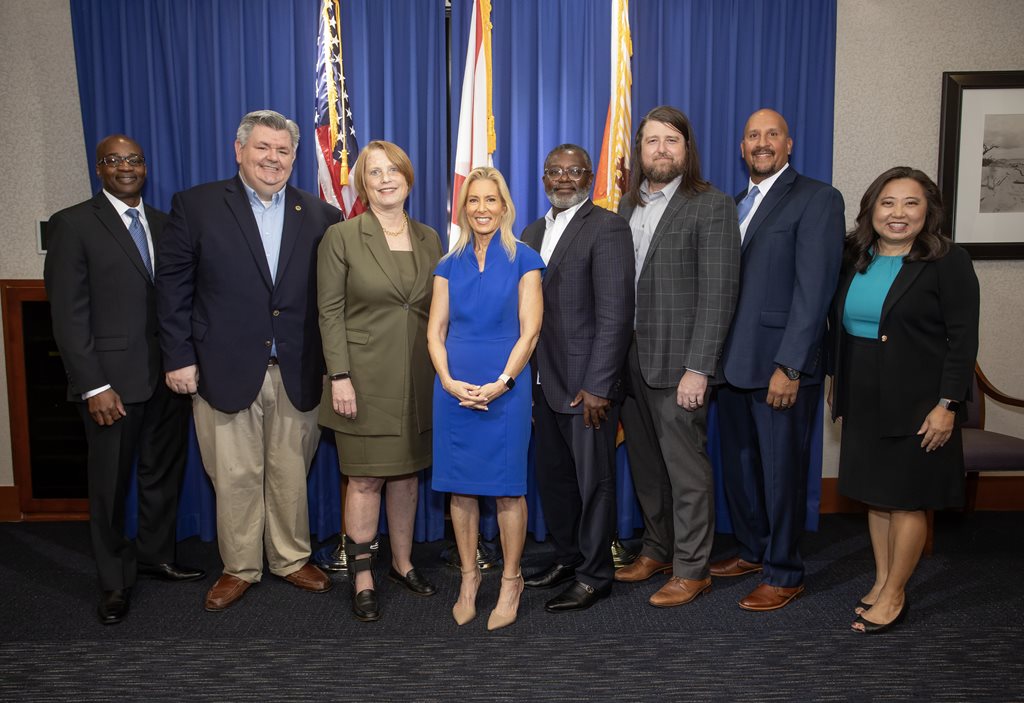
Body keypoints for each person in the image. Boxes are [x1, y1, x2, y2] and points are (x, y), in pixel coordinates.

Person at [156, 110, 340, 611]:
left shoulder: (322, 215)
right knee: (233, 474)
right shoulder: (195, 206)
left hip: (300, 368)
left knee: (289, 470)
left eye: (282, 151)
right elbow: (173, 290)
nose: (272, 159)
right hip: (221, 367)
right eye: (262, 148)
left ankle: (290, 557)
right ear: (239, 150)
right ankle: (239, 566)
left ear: (294, 157)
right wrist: (178, 357)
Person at [44, 134, 204, 625]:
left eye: (134, 159)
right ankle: (114, 581)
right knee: (109, 486)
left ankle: (156, 556)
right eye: (114, 160)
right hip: (110, 385)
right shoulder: (73, 224)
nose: (126, 167)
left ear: (146, 167)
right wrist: (92, 385)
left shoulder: (163, 223)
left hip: (166, 377)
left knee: (162, 472)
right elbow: (69, 316)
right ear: (99, 169)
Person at [830, 166, 979, 634]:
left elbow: (963, 340)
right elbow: (841, 325)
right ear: (872, 209)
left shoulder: (947, 261)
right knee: (877, 497)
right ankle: (880, 580)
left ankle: (895, 595)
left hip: (919, 400)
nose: (898, 214)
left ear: (928, 211)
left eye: (910, 203)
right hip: (863, 390)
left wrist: (947, 405)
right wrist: (838, 378)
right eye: (888, 203)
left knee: (908, 500)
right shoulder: (855, 255)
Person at [712, 109, 846, 611]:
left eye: (772, 135)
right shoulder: (734, 205)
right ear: (741, 148)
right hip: (731, 366)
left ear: (789, 145)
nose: (762, 143)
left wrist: (791, 365)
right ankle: (752, 550)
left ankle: (785, 572)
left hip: (779, 368)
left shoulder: (817, 199)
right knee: (743, 470)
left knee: (780, 474)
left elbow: (815, 292)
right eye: (752, 136)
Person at [614, 105, 740, 607]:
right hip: (630, 361)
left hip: (679, 364)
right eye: (651, 141)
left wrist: (700, 367)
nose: (660, 150)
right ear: (639, 150)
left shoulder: (711, 205)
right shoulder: (625, 207)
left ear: (687, 150)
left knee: (686, 471)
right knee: (646, 467)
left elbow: (720, 292)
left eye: (671, 140)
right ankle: (658, 549)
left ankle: (693, 568)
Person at [317, 141, 443, 622]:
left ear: (409, 178)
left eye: (395, 170)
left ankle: (403, 564)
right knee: (366, 479)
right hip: (363, 380)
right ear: (362, 184)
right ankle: (363, 575)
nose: (386, 178)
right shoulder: (343, 237)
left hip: (419, 377)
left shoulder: (430, 237)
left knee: (407, 477)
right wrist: (340, 377)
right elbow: (328, 313)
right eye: (375, 172)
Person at [427, 167, 543, 630]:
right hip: (453, 389)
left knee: (509, 490)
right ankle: (469, 579)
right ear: (463, 208)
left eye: (490, 200)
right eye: (473, 201)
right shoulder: (446, 264)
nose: (481, 209)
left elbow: (530, 331)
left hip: (506, 389)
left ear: (505, 206)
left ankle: (512, 580)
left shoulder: (526, 259)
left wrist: (503, 383)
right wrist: (449, 381)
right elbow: (435, 332)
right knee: (461, 488)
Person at [520, 144, 635, 612]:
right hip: (543, 383)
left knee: (594, 483)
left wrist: (600, 386)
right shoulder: (530, 231)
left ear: (589, 176)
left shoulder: (607, 228)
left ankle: (594, 575)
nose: (563, 179)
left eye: (573, 171)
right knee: (556, 480)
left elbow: (615, 315)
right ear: (542, 178)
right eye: (553, 171)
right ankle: (567, 559)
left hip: (587, 386)